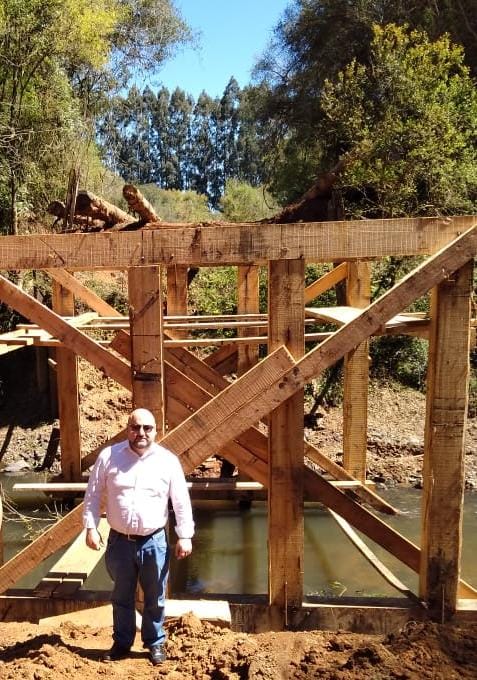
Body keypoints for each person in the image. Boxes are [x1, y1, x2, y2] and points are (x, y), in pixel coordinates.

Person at [83, 407, 194, 666]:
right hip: (119, 540)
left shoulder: (168, 461)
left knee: (155, 595)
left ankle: (154, 643)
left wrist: (184, 535)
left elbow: (180, 501)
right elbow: (93, 495)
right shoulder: (109, 456)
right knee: (121, 595)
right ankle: (122, 642)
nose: (141, 433)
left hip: (154, 540)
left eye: (147, 428)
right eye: (135, 427)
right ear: (127, 429)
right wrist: (90, 527)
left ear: (156, 431)